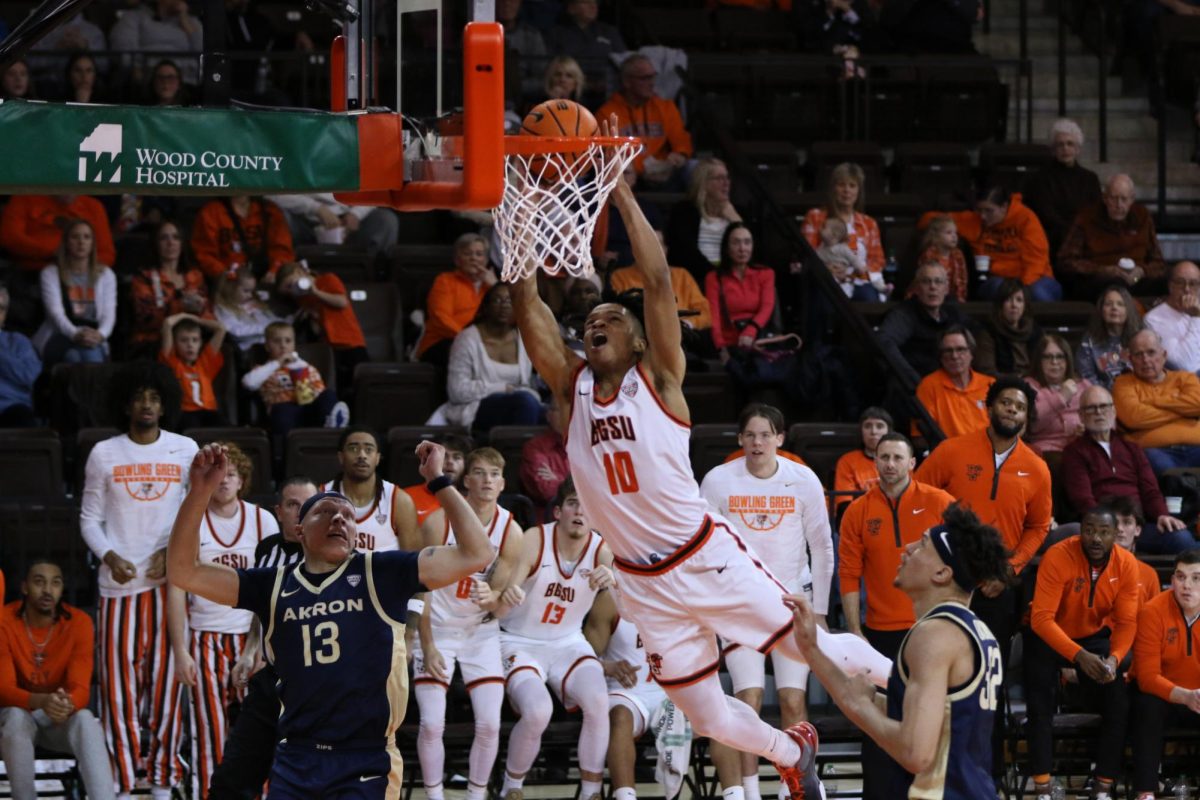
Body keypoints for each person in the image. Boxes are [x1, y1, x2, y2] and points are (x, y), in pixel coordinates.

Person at [510, 159, 893, 800]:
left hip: (702, 556)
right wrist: (521, 230)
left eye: (613, 316)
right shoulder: (572, 389)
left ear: (638, 342)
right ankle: (789, 754)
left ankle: (928, 684)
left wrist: (620, 191)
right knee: (706, 715)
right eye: (591, 319)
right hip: (642, 583)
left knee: (808, 645)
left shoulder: (658, 381)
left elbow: (657, 279)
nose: (596, 322)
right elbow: (530, 310)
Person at [165, 440, 494, 797]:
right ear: (300, 530)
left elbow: (478, 553)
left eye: (349, 516)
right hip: (296, 755)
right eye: (325, 511)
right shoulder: (273, 581)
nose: (340, 517)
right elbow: (183, 571)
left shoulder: (381, 571)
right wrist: (200, 492)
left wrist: (439, 481)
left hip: (366, 757)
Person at [793, 503, 1009, 800]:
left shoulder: (935, 635)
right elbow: (910, 715)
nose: (907, 548)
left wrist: (861, 707)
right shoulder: (973, 631)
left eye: (921, 545)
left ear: (942, 573)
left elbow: (915, 753)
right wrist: (811, 649)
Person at [915, 375, 1051, 776]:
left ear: (1027, 417)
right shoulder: (952, 450)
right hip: (947, 580)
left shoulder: (1037, 468)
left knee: (986, 682)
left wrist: (1009, 570)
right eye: (1005, 402)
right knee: (940, 675)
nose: (1012, 410)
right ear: (988, 407)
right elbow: (919, 496)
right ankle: (934, 768)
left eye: (1020, 406)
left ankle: (984, 773)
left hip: (997, 586)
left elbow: (1039, 527)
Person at [699, 404, 834, 799]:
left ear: (780, 439)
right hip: (739, 605)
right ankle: (749, 790)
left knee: (794, 701)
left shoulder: (802, 479)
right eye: (750, 435)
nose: (757, 442)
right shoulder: (718, 481)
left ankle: (794, 786)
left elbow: (822, 547)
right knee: (748, 699)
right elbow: (703, 548)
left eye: (765, 435)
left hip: (793, 601)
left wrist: (821, 612)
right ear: (740, 440)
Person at [79, 362, 197, 799]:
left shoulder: (185, 448)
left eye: (154, 397)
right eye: (138, 397)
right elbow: (89, 518)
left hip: (170, 585)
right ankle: (124, 783)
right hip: (119, 588)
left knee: (167, 688)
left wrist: (173, 552)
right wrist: (108, 554)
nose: (146, 404)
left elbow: (195, 513)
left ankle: (164, 781)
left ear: (164, 405)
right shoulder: (104, 453)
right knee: (120, 693)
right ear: (125, 403)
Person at [837, 431, 954, 800]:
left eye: (897, 458)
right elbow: (848, 573)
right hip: (879, 633)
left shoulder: (939, 502)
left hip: (929, 630)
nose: (890, 464)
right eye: (883, 457)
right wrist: (855, 630)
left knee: (933, 720)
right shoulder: (858, 510)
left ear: (912, 463)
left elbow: (961, 558)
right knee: (879, 723)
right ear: (875, 461)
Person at [413, 447, 524, 800]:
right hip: (438, 627)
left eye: (494, 473)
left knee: (490, 724)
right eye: (480, 472)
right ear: (467, 479)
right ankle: (435, 796)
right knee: (432, 724)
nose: (487, 480)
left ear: (503, 483)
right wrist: (427, 644)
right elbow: (419, 591)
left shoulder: (511, 531)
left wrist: (496, 599)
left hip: (479, 632)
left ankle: (477, 795)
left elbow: (496, 596)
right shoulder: (437, 522)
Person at [166, 442, 276, 799]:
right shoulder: (192, 522)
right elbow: (177, 589)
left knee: (259, 733)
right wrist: (180, 651)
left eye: (232, 473)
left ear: (242, 480)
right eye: (220, 473)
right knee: (207, 733)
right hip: (205, 636)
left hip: (251, 637)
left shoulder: (262, 520)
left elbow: (274, 588)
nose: (225, 480)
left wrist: (259, 646)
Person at [493, 478, 615, 800]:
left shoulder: (602, 550)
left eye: (587, 505)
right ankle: (512, 787)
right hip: (518, 640)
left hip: (568, 642)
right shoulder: (535, 538)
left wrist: (615, 582)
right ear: (559, 511)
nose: (580, 511)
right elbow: (505, 596)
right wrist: (511, 591)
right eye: (574, 503)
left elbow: (629, 610)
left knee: (599, 701)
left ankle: (591, 791)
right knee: (537, 712)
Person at [206, 476, 317, 800]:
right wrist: (249, 652)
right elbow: (261, 611)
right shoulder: (267, 549)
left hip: (313, 685)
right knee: (232, 779)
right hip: (270, 678)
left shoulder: (329, 553)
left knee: (300, 780)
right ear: (279, 511)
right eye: (293, 505)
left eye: (307, 506)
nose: (300, 513)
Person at [1025, 506, 1139, 800]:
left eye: (1103, 532)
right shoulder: (1058, 555)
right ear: (1080, 532)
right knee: (1040, 704)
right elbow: (1041, 620)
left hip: (1093, 637)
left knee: (1118, 698)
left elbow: (1126, 623)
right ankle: (1042, 785)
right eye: (1089, 530)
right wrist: (1079, 657)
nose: (1095, 538)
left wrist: (1113, 659)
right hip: (1047, 636)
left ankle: (1102, 784)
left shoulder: (1126, 564)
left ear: (1116, 535)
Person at [0, 559, 115, 800]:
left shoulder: (79, 622)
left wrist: (66, 703)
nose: (47, 590)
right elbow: (4, 690)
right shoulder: (5, 621)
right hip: (19, 720)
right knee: (13, 717)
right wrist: (42, 700)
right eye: (39, 582)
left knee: (85, 719)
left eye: (55, 583)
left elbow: (81, 690)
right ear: (24, 587)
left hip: (57, 720)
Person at [1062, 384, 1194, 552]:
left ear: (1114, 411)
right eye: (1091, 408)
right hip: (1102, 528)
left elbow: (1150, 490)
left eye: (1104, 406)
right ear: (1081, 416)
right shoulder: (1074, 452)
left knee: (1181, 538)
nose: (1099, 412)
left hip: (1138, 526)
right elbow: (1082, 499)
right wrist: (1108, 526)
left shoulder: (1132, 448)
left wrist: (1162, 514)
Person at [585, 592, 690, 800]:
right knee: (620, 716)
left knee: (719, 713)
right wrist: (607, 666)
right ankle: (625, 796)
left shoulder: (677, 595)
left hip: (667, 692)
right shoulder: (610, 599)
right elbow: (582, 657)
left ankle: (738, 794)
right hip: (626, 692)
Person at [428, 283, 543, 436]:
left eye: (510, 301)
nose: (504, 306)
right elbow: (457, 390)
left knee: (552, 414)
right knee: (525, 404)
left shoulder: (524, 339)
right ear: (485, 306)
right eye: (497, 300)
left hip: (522, 403)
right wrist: (501, 388)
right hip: (476, 407)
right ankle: (517, 456)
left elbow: (530, 384)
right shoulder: (467, 339)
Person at [1131, 549, 1200, 800]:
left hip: (1198, 699)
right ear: (1172, 581)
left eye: (1196, 578)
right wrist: (1184, 696)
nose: (1187, 586)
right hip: (1165, 697)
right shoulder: (1152, 611)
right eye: (1180, 577)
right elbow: (1147, 677)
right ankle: (1146, 792)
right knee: (1146, 704)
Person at [920, 185, 1061, 302]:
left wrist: (1021, 289)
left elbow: (1036, 261)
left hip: (1035, 278)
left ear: (1004, 207)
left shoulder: (1026, 218)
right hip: (998, 278)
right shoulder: (974, 221)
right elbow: (928, 219)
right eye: (979, 210)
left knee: (1038, 294)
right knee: (995, 290)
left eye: (989, 211)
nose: (983, 216)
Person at [1057, 173, 1167, 301]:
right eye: (1114, 198)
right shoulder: (1086, 218)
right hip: (1100, 280)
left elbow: (1159, 263)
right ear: (1105, 198)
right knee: (1115, 286)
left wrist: (1141, 271)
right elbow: (1065, 261)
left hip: (1136, 278)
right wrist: (1102, 270)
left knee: (1170, 281)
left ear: (1132, 199)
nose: (1119, 205)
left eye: (1124, 199)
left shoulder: (1142, 216)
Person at [598, 54, 694, 189]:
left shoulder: (666, 107)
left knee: (698, 167)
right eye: (645, 78)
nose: (652, 83)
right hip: (630, 177)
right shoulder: (607, 113)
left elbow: (681, 140)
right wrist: (641, 169)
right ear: (627, 82)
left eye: (653, 77)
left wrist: (679, 155)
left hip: (666, 171)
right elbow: (610, 154)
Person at [241, 321, 349, 441]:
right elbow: (248, 383)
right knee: (282, 410)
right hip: (283, 410)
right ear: (267, 346)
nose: (283, 345)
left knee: (328, 395)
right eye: (277, 341)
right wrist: (278, 362)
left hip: (309, 408)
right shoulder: (263, 369)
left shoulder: (304, 367)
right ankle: (286, 447)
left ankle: (331, 424)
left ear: (294, 345)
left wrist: (296, 362)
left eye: (288, 341)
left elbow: (319, 389)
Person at [273, 260, 369, 394]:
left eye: (290, 285)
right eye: (288, 292)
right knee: (336, 386)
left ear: (299, 272)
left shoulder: (327, 279)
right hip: (328, 346)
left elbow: (341, 302)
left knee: (360, 383)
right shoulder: (301, 299)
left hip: (350, 340)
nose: (292, 292)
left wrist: (315, 292)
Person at [1112, 328, 1200, 473]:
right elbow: (1134, 418)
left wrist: (1155, 403)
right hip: (1155, 451)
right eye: (1138, 354)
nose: (1145, 360)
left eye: (1151, 352)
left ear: (1164, 355)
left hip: (1196, 447)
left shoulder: (1185, 378)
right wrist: (1184, 411)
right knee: (1159, 466)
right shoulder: (1123, 383)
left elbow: (1198, 403)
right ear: (1130, 359)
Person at [321, 426, 420, 553]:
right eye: (353, 448)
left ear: (377, 458)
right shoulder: (321, 497)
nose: (362, 455)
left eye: (368, 449)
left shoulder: (399, 501)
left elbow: (412, 562)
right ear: (341, 457)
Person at [32, 219, 116, 367]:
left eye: (86, 237)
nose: (81, 242)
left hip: (93, 336)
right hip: (59, 335)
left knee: (81, 355)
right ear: (66, 242)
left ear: (92, 244)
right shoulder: (51, 273)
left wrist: (100, 335)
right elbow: (55, 314)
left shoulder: (106, 274)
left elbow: (109, 314)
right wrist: (76, 334)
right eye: (75, 237)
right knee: (75, 356)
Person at [875, 261, 972, 388]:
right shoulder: (904, 314)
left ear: (946, 289)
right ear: (916, 288)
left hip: (950, 385)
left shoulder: (952, 312)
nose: (933, 287)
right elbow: (884, 342)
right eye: (926, 281)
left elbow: (976, 335)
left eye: (938, 281)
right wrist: (912, 379)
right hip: (915, 388)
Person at [1021, 118, 1103, 258]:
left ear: (1077, 149)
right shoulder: (1040, 179)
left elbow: (1095, 211)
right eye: (1060, 145)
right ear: (1053, 149)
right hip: (1053, 238)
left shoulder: (1090, 179)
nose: (1065, 149)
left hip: (1085, 237)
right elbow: (1046, 214)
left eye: (1070, 144)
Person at [129, 220, 210, 358]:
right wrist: (180, 305)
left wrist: (200, 308)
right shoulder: (143, 278)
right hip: (153, 342)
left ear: (182, 243)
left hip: (190, 340)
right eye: (163, 238)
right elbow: (146, 319)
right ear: (156, 244)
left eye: (175, 237)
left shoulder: (195, 276)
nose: (170, 242)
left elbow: (209, 316)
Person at [801, 162, 885, 297]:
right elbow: (807, 253)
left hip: (859, 278)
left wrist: (853, 273)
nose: (847, 190)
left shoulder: (869, 223)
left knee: (868, 295)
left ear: (859, 191)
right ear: (833, 189)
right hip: (825, 277)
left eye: (852, 185)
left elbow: (877, 260)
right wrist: (828, 269)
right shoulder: (815, 217)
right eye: (841, 185)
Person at [416, 233, 496, 366]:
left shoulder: (493, 287)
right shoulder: (445, 281)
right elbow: (440, 318)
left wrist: (495, 286)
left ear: (486, 260)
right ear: (457, 260)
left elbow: (512, 316)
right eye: (467, 254)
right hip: (444, 341)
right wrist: (468, 340)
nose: (473, 258)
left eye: (479, 254)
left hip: (487, 343)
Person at [664, 158, 744, 284]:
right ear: (703, 183)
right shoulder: (684, 211)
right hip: (695, 279)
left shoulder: (737, 212)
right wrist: (715, 276)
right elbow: (686, 253)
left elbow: (749, 250)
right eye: (719, 178)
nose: (726, 183)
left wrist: (737, 222)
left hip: (731, 280)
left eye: (727, 177)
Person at [705, 223, 777, 361]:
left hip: (759, 338)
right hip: (729, 342)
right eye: (736, 243)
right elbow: (714, 316)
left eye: (747, 242)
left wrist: (751, 331)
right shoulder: (714, 278)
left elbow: (767, 307)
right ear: (726, 247)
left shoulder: (766, 273)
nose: (742, 248)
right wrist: (721, 348)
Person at [914, 326, 996, 438]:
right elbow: (919, 437)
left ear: (971, 353)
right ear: (941, 356)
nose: (954, 356)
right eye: (948, 351)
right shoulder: (928, 386)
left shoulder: (990, 384)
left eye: (960, 349)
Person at [0, 194, 116, 271]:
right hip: (32, 275)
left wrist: (78, 266)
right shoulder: (24, 198)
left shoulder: (93, 207)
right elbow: (9, 238)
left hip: (81, 277)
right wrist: (54, 253)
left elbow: (107, 254)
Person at [190, 196, 295, 281]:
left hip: (268, 280)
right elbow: (205, 254)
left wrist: (275, 272)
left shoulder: (270, 210)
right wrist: (227, 276)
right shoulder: (211, 213)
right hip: (229, 284)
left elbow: (282, 249)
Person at [267, 192, 400, 256]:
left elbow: (377, 188)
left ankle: (375, 275)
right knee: (278, 216)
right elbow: (271, 192)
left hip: (350, 217)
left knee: (386, 220)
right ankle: (285, 270)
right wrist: (315, 208)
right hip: (304, 219)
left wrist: (356, 213)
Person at [109, 0, 203, 85]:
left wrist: (184, 19)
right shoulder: (133, 17)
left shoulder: (192, 22)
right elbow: (124, 50)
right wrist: (137, 72)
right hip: (147, 78)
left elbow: (202, 51)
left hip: (185, 80)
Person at [1024, 334, 1089, 455]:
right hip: (1047, 450)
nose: (1054, 362)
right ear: (1039, 360)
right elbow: (1032, 425)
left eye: (1060, 356)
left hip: (1082, 446)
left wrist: (1088, 429)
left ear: (1068, 359)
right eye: (1048, 357)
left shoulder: (1084, 385)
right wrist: (1062, 397)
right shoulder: (1029, 385)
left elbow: (1103, 415)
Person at [547, 0, 626, 99]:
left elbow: (624, 63)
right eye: (586, 2)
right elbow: (552, 67)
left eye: (595, 3)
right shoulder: (556, 34)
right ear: (571, 8)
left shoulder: (609, 32)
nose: (593, 6)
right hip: (571, 93)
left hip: (607, 92)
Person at [159, 313, 226, 430]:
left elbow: (221, 328)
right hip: (185, 413)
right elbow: (168, 323)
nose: (190, 345)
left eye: (195, 340)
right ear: (175, 344)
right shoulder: (173, 364)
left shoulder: (205, 364)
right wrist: (184, 315)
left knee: (230, 432)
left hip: (209, 412)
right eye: (184, 340)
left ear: (201, 343)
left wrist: (198, 320)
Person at [1076, 285, 1141, 390]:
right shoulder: (1089, 340)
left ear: (1128, 309)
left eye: (1120, 304)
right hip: (1104, 399)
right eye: (1108, 304)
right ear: (1101, 310)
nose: (1114, 308)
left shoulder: (1140, 337)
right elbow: (1087, 377)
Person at [974, 279, 1043, 376]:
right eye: (1008, 299)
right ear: (1000, 305)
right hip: (1002, 385)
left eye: (1019, 300)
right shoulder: (989, 332)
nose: (1014, 305)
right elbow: (986, 371)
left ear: (1025, 306)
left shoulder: (1035, 332)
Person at [1143, 260, 1200, 376]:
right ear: (1170, 286)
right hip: (1185, 381)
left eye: (1193, 284)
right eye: (1180, 283)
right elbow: (1185, 365)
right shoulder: (1154, 319)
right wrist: (1195, 318)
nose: (1187, 289)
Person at [833, 406, 892, 515]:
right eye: (868, 426)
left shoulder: (900, 460)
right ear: (861, 431)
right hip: (858, 520)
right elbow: (844, 505)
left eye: (879, 426)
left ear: (889, 431)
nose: (873, 431)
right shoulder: (847, 461)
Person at [404, 433, 473, 526]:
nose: (450, 462)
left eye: (457, 457)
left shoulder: (471, 502)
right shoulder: (406, 497)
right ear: (427, 459)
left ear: (465, 465)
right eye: (444, 456)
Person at [212, 269, 282, 356]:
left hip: (270, 340)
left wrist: (284, 323)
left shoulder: (251, 302)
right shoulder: (223, 308)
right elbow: (236, 332)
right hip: (252, 349)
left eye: (251, 291)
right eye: (246, 291)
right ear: (231, 288)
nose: (250, 295)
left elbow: (269, 319)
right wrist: (267, 329)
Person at [1109, 495, 1163, 604]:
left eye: (1127, 522)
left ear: (1137, 530)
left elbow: (1155, 617)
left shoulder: (1149, 574)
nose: (1119, 528)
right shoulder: (1091, 570)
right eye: (1114, 523)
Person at [0, 285, 40, 428]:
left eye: (1, 308)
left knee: (24, 421)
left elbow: (29, 376)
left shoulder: (18, 341)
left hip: (13, 407)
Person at [519, 403, 569, 511]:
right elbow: (546, 490)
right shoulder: (535, 447)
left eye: (571, 408)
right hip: (549, 520)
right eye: (560, 408)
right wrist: (574, 485)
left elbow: (597, 489)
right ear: (548, 415)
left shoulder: (589, 446)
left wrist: (558, 479)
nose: (567, 413)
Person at [913, 216, 967, 303]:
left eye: (955, 233)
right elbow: (926, 279)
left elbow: (962, 279)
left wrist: (961, 298)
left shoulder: (957, 255)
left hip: (952, 296)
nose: (954, 236)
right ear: (936, 236)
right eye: (949, 233)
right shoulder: (929, 254)